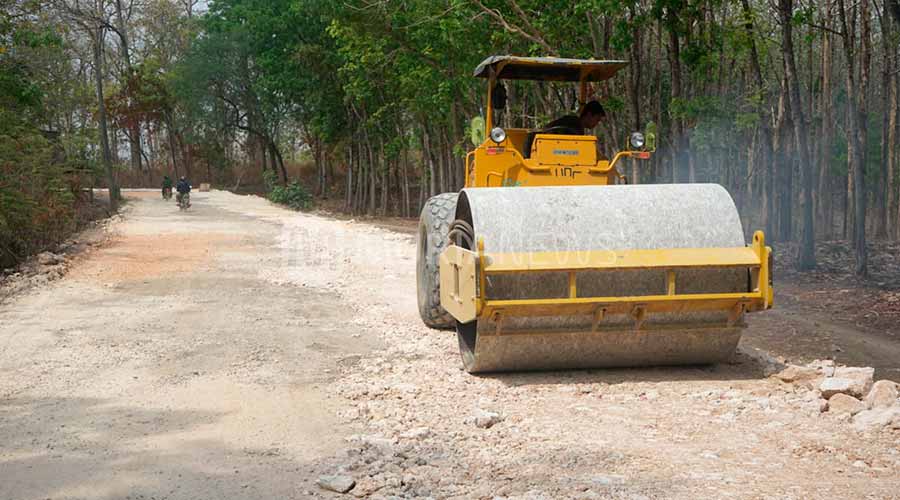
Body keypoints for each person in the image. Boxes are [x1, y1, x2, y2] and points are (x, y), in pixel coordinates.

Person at [541, 100, 606, 135]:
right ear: (589, 115)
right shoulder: (573, 125)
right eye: (597, 119)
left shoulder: (576, 126)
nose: (597, 123)